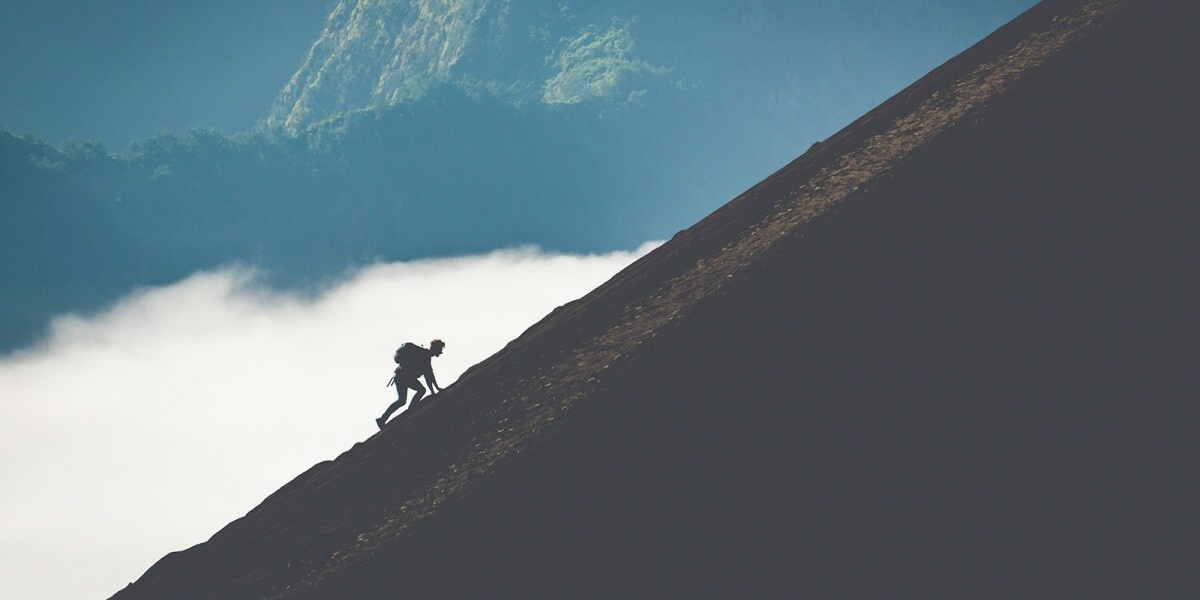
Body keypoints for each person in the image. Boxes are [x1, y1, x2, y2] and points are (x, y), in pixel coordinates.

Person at [377, 339, 445, 429]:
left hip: (401, 376)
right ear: (435, 349)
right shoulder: (424, 356)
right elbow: (429, 377)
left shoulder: (424, 356)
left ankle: (382, 419)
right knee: (419, 391)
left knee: (401, 400)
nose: (441, 352)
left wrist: (435, 389)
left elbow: (429, 376)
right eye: (440, 349)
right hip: (404, 377)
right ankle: (411, 408)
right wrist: (434, 391)